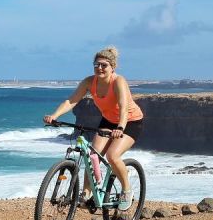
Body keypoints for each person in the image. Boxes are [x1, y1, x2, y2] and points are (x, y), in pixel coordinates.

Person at [43, 46, 144, 211]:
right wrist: (55, 116)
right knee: (92, 155)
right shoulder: (90, 82)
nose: (100, 68)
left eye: (104, 65)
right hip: (108, 121)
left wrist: (120, 127)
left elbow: (123, 107)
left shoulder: (118, 81)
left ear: (113, 67)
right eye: (96, 65)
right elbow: (72, 101)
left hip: (130, 122)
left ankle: (127, 190)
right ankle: (87, 193)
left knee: (112, 155)